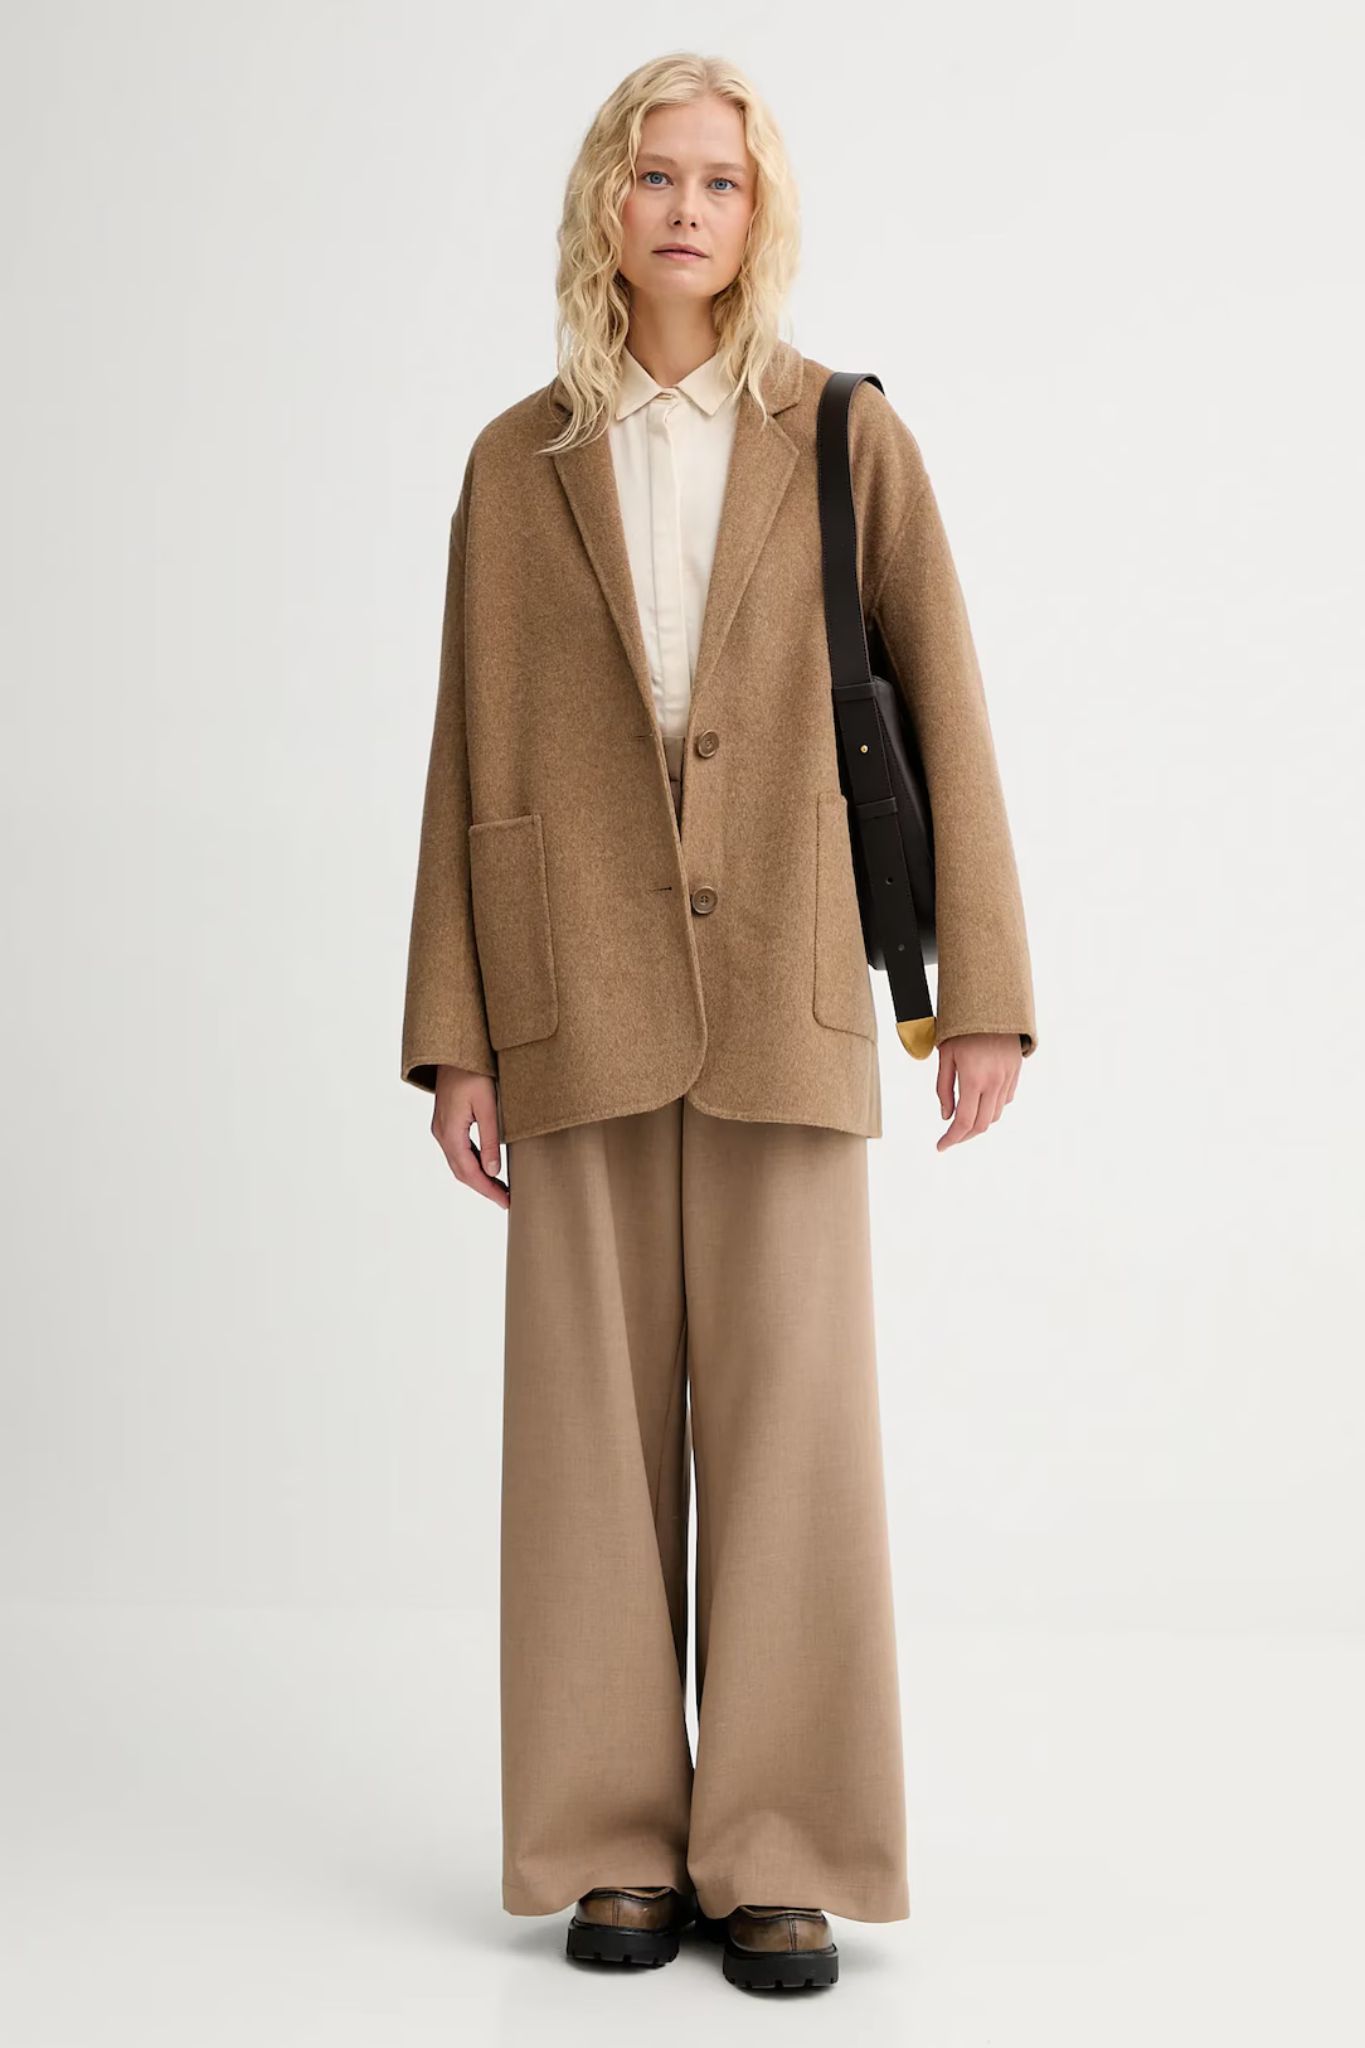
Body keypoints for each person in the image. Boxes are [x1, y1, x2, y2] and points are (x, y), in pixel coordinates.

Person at [400, 51, 1037, 1993]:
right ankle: (611, 1840)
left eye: (721, 182)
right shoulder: (515, 461)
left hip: (789, 987)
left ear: (759, 218)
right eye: (655, 175)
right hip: (568, 989)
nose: (686, 209)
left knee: (794, 1439)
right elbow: (463, 748)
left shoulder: (843, 436)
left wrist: (983, 994)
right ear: (605, 202)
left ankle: (780, 1845)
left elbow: (945, 707)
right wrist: (456, 1034)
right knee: (582, 1445)